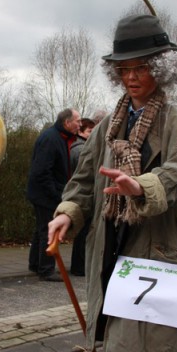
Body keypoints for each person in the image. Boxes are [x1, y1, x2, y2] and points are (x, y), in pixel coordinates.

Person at [48, 14, 177, 352]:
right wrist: (67, 213)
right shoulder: (107, 126)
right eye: (124, 70)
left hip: (158, 248)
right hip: (112, 241)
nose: (132, 78)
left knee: (139, 334)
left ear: (162, 70)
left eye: (141, 68)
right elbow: (81, 182)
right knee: (129, 330)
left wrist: (142, 186)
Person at [27, 108, 81, 281]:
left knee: (41, 229)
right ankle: (46, 269)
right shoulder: (51, 139)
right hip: (45, 195)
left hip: (43, 192)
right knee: (48, 230)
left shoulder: (59, 137)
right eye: (77, 121)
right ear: (67, 122)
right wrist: (57, 194)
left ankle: (35, 264)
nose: (80, 124)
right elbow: (42, 171)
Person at [69, 118, 96, 276]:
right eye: (89, 131)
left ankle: (79, 265)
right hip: (83, 195)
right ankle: (79, 267)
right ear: (81, 132)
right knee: (82, 233)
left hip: (82, 194)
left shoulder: (79, 147)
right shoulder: (81, 150)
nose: (92, 134)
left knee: (83, 233)